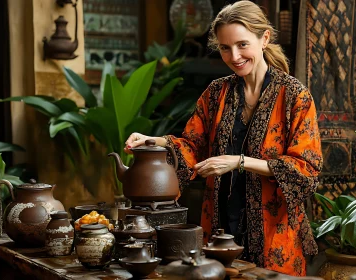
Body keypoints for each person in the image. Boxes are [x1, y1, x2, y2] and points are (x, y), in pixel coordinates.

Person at [125, 0, 322, 276]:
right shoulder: (216, 93)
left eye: (242, 44)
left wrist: (239, 162)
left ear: (264, 38)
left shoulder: (294, 97)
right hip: (219, 231)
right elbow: (193, 146)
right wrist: (152, 141)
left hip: (275, 235)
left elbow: (306, 170)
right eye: (225, 48)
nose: (234, 56)